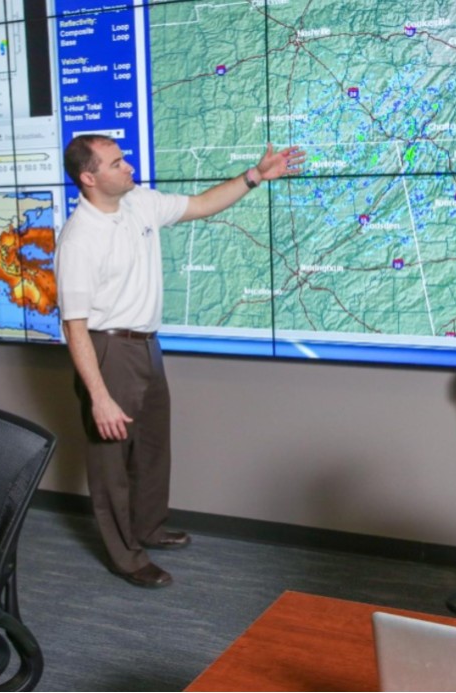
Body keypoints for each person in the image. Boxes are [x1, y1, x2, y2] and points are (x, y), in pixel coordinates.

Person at [56, 134, 304, 588]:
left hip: (146, 345)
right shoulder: (79, 240)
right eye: (116, 163)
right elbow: (74, 327)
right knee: (111, 462)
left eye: (124, 159)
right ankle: (126, 557)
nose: (128, 166)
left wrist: (255, 176)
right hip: (107, 349)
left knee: (152, 447)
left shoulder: (139, 203)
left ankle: (148, 528)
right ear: (89, 178)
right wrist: (99, 397)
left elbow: (202, 203)